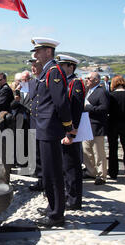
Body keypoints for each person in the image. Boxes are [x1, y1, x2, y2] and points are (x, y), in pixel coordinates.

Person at [28, 37, 75, 228]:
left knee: (54, 173)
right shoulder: (47, 71)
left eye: (38, 51)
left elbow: (60, 102)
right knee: (47, 172)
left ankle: (57, 214)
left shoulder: (54, 71)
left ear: (48, 52)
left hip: (50, 128)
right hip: (43, 127)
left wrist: (68, 127)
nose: (35, 54)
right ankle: (52, 206)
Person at [57, 54, 85, 210]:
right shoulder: (65, 82)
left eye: (63, 65)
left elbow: (76, 110)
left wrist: (71, 133)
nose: (60, 68)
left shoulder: (75, 83)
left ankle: (74, 200)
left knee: (72, 167)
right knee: (65, 166)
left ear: (71, 67)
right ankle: (69, 195)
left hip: (71, 132)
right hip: (63, 130)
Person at [82, 72, 109, 185]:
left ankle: (101, 175)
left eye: (89, 78)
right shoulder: (88, 91)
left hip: (96, 125)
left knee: (98, 152)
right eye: (87, 78)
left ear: (97, 80)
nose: (87, 80)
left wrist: (90, 108)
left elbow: (104, 108)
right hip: (86, 124)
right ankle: (91, 171)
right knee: (86, 151)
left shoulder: (101, 92)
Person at [28, 52, 45, 192]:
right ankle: (40, 179)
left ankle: (47, 181)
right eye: (32, 66)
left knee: (46, 155)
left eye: (36, 65)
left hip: (44, 122)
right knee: (37, 153)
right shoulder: (32, 82)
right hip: (34, 122)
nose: (33, 68)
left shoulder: (45, 80)